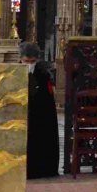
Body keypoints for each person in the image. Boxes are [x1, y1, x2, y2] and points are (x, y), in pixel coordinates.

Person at [20, 42, 60, 178]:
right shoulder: (16, 71)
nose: (29, 64)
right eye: (26, 61)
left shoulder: (43, 73)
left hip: (41, 116)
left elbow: (47, 99)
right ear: (21, 59)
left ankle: (42, 170)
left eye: (32, 61)